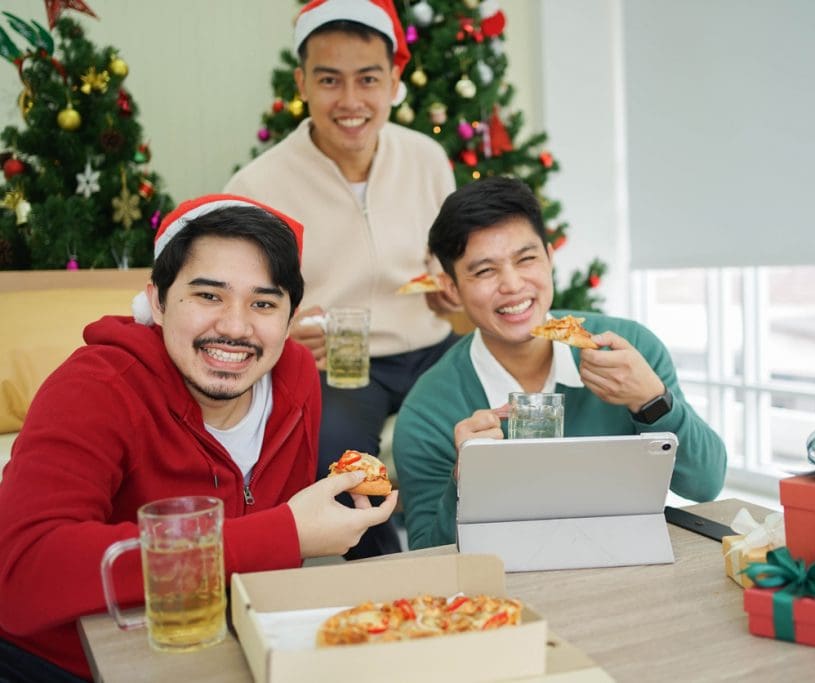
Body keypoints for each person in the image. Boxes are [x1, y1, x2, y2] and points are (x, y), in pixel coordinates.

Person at [0, 195, 398, 682]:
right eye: (209, 296)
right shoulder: (94, 388)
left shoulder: (296, 378)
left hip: (218, 656)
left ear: (290, 318)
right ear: (157, 301)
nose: (234, 327)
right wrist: (284, 533)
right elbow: (22, 573)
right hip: (64, 665)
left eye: (263, 303)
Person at [225, 0, 459, 557]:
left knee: (502, 423)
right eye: (330, 80)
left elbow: (447, 258)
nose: (351, 101)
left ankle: (472, 559)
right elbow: (238, 299)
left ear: (394, 81)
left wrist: (449, 285)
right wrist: (283, 331)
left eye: (368, 80)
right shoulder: (258, 186)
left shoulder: (426, 158)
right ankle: (381, 577)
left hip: (432, 347)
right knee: (336, 455)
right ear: (302, 83)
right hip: (341, 364)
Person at [393, 177, 728, 550]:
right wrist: (465, 479)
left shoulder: (628, 349)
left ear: (550, 259)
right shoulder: (428, 411)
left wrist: (652, 400)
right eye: (485, 271)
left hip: (628, 564)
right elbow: (428, 555)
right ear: (451, 288)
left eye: (526, 259)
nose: (512, 284)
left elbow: (705, 485)